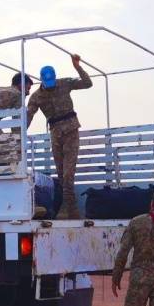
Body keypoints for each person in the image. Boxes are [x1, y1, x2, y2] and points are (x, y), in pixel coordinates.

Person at [26, 54, 93, 219]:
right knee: (62, 174)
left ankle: (70, 210)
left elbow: (87, 83)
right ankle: (69, 209)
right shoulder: (36, 96)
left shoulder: (64, 83)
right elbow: (28, 116)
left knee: (68, 174)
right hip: (56, 135)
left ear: (55, 78)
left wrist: (77, 67)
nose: (50, 85)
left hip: (71, 131)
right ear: (42, 80)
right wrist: (18, 133)